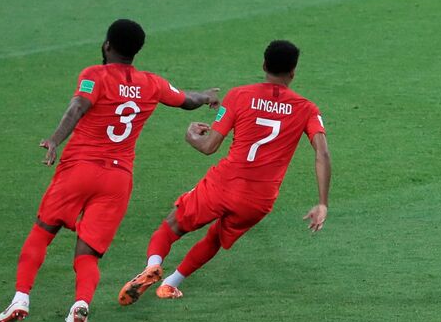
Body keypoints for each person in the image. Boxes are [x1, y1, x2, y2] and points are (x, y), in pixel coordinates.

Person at [0, 19, 218, 322]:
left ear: (107, 45)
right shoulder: (151, 83)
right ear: (136, 50)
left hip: (79, 169)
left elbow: (78, 105)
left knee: (42, 232)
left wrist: (55, 139)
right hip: (117, 179)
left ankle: (20, 298)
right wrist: (207, 96)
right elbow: (186, 99)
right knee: (88, 254)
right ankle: (80, 306)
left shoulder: (94, 75)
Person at [118, 41, 330, 304]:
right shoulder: (307, 108)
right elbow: (322, 154)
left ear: (264, 66)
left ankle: (153, 265)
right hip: (260, 199)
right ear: (293, 71)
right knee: (216, 237)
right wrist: (322, 203)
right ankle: (171, 284)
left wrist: (190, 136)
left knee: (173, 225)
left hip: (225, 184)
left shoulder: (240, 95)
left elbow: (209, 146)